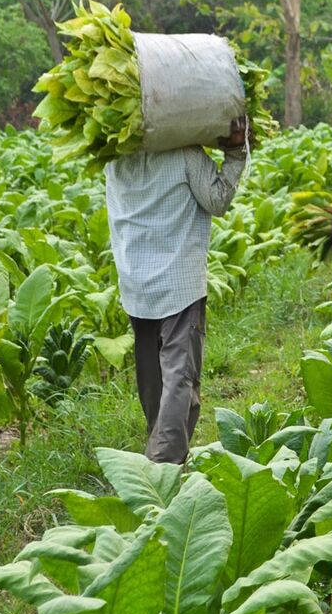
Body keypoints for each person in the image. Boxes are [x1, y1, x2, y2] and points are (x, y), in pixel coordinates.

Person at [106, 116, 249, 464]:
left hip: (135, 282)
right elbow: (217, 200)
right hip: (178, 283)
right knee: (179, 378)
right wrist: (235, 154)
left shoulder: (114, 160)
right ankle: (163, 467)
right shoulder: (185, 154)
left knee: (152, 378)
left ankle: (163, 447)